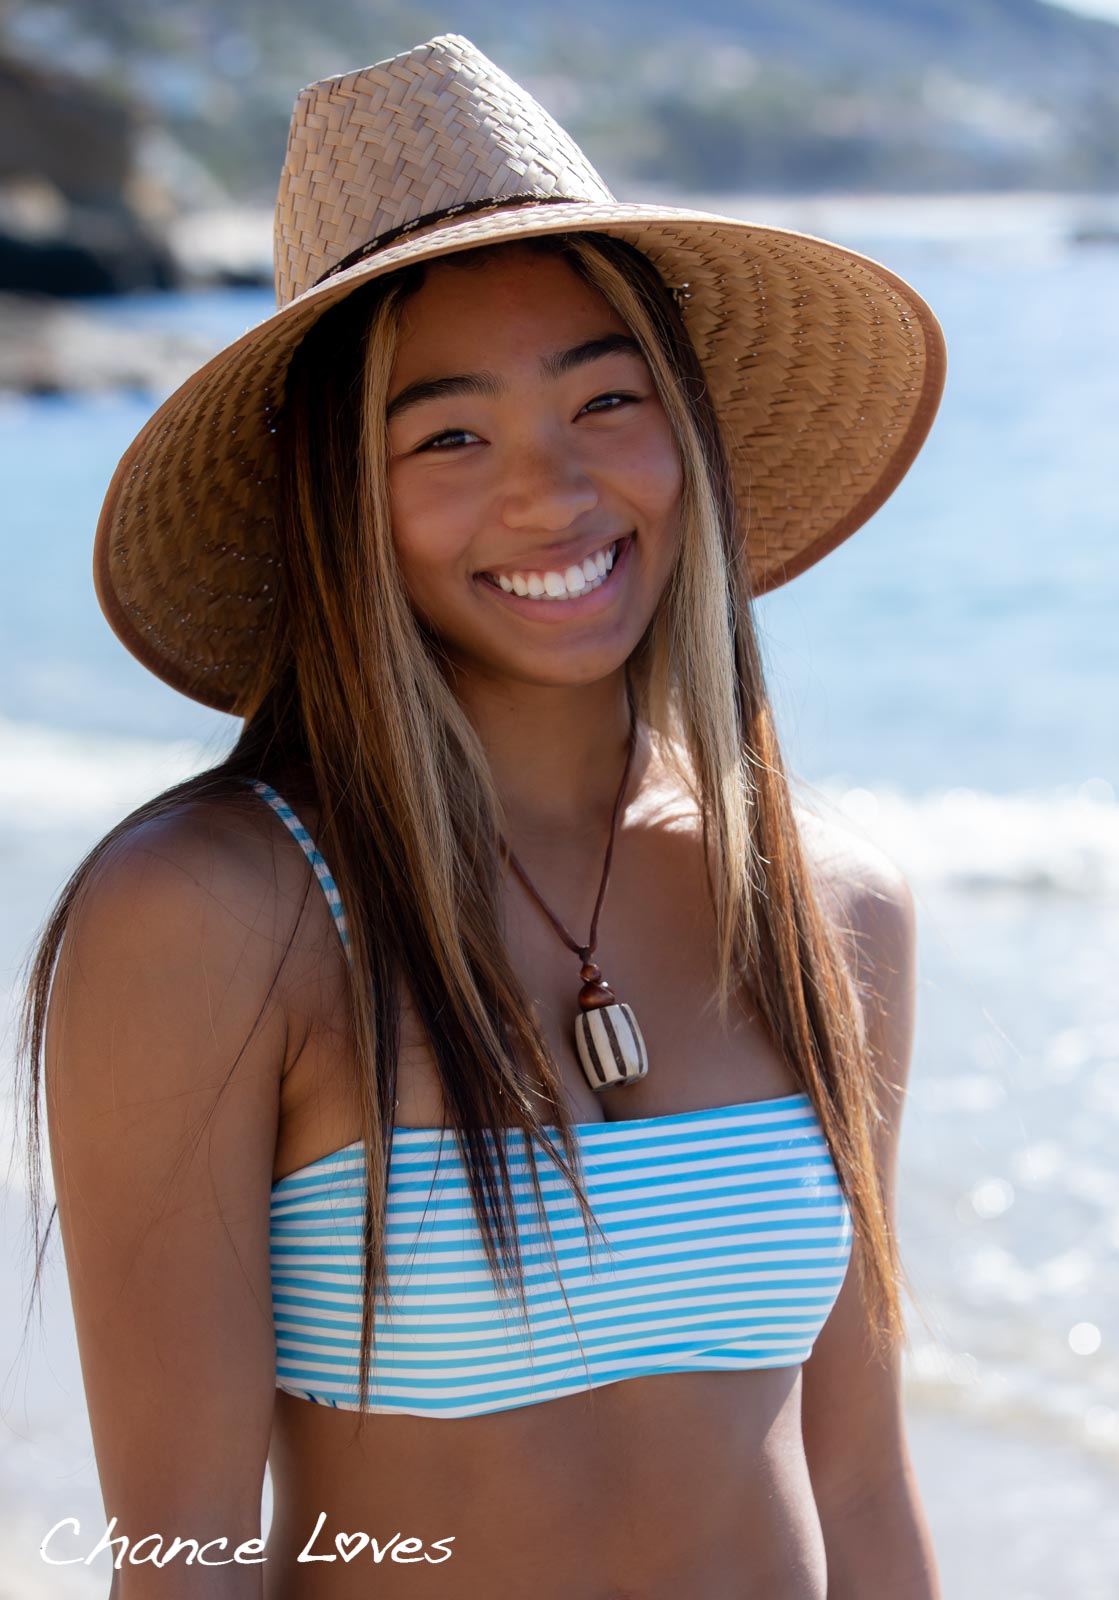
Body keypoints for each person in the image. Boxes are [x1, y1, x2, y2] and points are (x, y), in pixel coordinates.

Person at [17, 33, 947, 1600]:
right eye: (448, 435)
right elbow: (182, 1554)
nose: (553, 494)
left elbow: (861, 1484)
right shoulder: (216, 916)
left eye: (606, 400)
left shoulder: (826, 899)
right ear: (339, 499)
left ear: (690, 435)